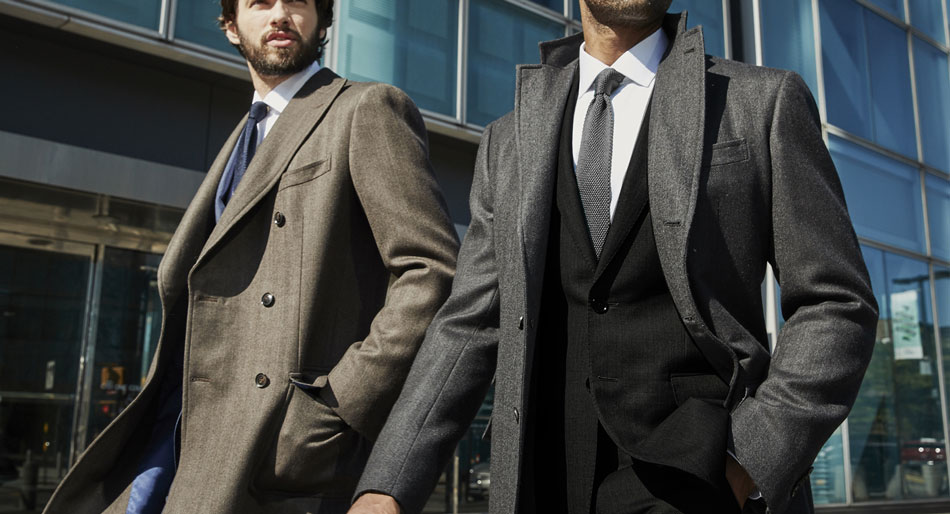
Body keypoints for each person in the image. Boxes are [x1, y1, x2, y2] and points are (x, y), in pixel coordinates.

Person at [349, 2, 878, 514]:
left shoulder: (762, 101)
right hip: (544, 477)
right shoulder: (506, 140)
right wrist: (388, 484)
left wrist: (750, 460)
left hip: (704, 477)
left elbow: (835, 302)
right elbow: (470, 322)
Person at [43, 0, 459, 512]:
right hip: (178, 436)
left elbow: (429, 270)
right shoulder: (243, 138)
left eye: (299, 1)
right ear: (230, 25)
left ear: (324, 20)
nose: (281, 14)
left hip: (279, 451)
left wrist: (336, 405)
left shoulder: (365, 108)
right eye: (260, 2)